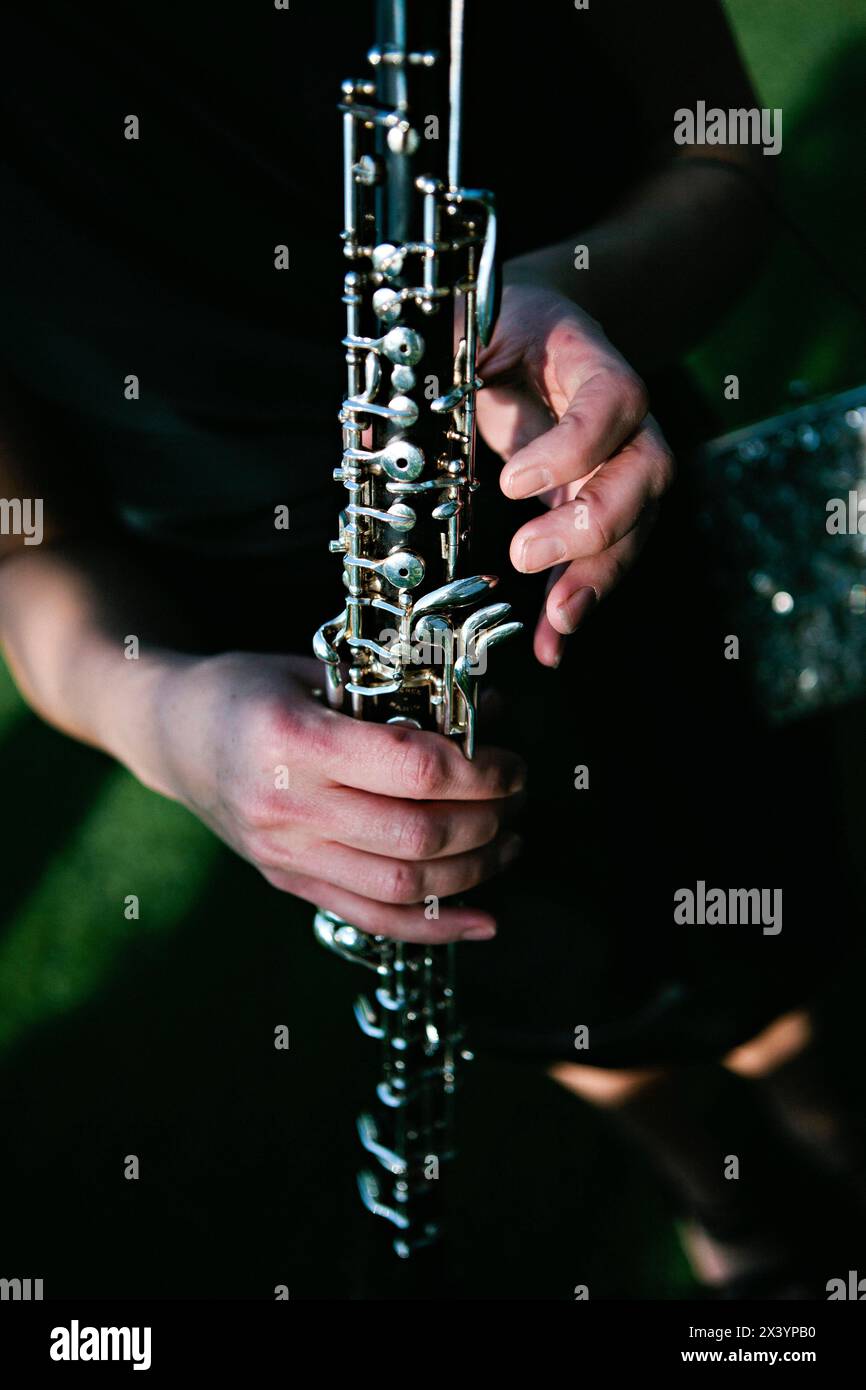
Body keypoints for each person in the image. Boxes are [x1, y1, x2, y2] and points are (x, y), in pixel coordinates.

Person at [0, 1, 860, 1295]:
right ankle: (707, 1177)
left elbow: (724, 144)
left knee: (764, 905)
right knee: (530, 970)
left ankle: (818, 1121)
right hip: (299, 690)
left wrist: (576, 295)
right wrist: (161, 715)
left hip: (609, 512)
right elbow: (24, 549)